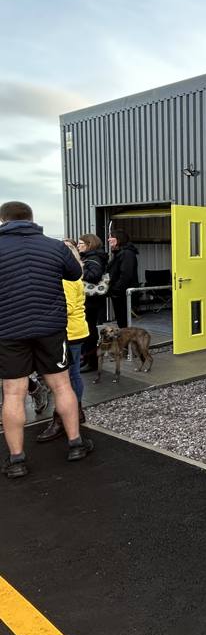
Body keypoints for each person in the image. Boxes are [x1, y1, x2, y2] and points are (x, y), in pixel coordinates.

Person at [0, 201, 94, 478]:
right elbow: (76, 274)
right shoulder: (54, 247)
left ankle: (17, 459)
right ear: (32, 219)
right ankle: (76, 443)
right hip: (51, 329)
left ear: (3, 220)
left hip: (9, 331)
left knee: (13, 393)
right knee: (62, 385)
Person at [36, 241, 89, 442]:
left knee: (64, 380)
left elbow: (65, 308)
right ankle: (76, 412)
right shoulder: (73, 276)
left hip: (69, 332)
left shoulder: (66, 280)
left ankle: (61, 418)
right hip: (76, 330)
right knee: (72, 376)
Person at [77, 233, 109, 372]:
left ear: (89, 245)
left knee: (89, 331)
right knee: (89, 330)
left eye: (80, 244)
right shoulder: (92, 257)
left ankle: (91, 362)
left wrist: (80, 269)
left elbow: (94, 277)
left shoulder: (94, 258)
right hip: (92, 300)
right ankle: (88, 359)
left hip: (92, 301)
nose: (78, 246)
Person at [107, 228, 139, 329]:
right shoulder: (119, 253)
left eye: (111, 237)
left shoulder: (126, 253)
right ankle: (124, 342)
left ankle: (126, 343)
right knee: (121, 321)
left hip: (123, 294)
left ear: (119, 239)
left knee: (123, 321)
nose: (109, 239)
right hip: (120, 293)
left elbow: (126, 275)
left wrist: (116, 290)